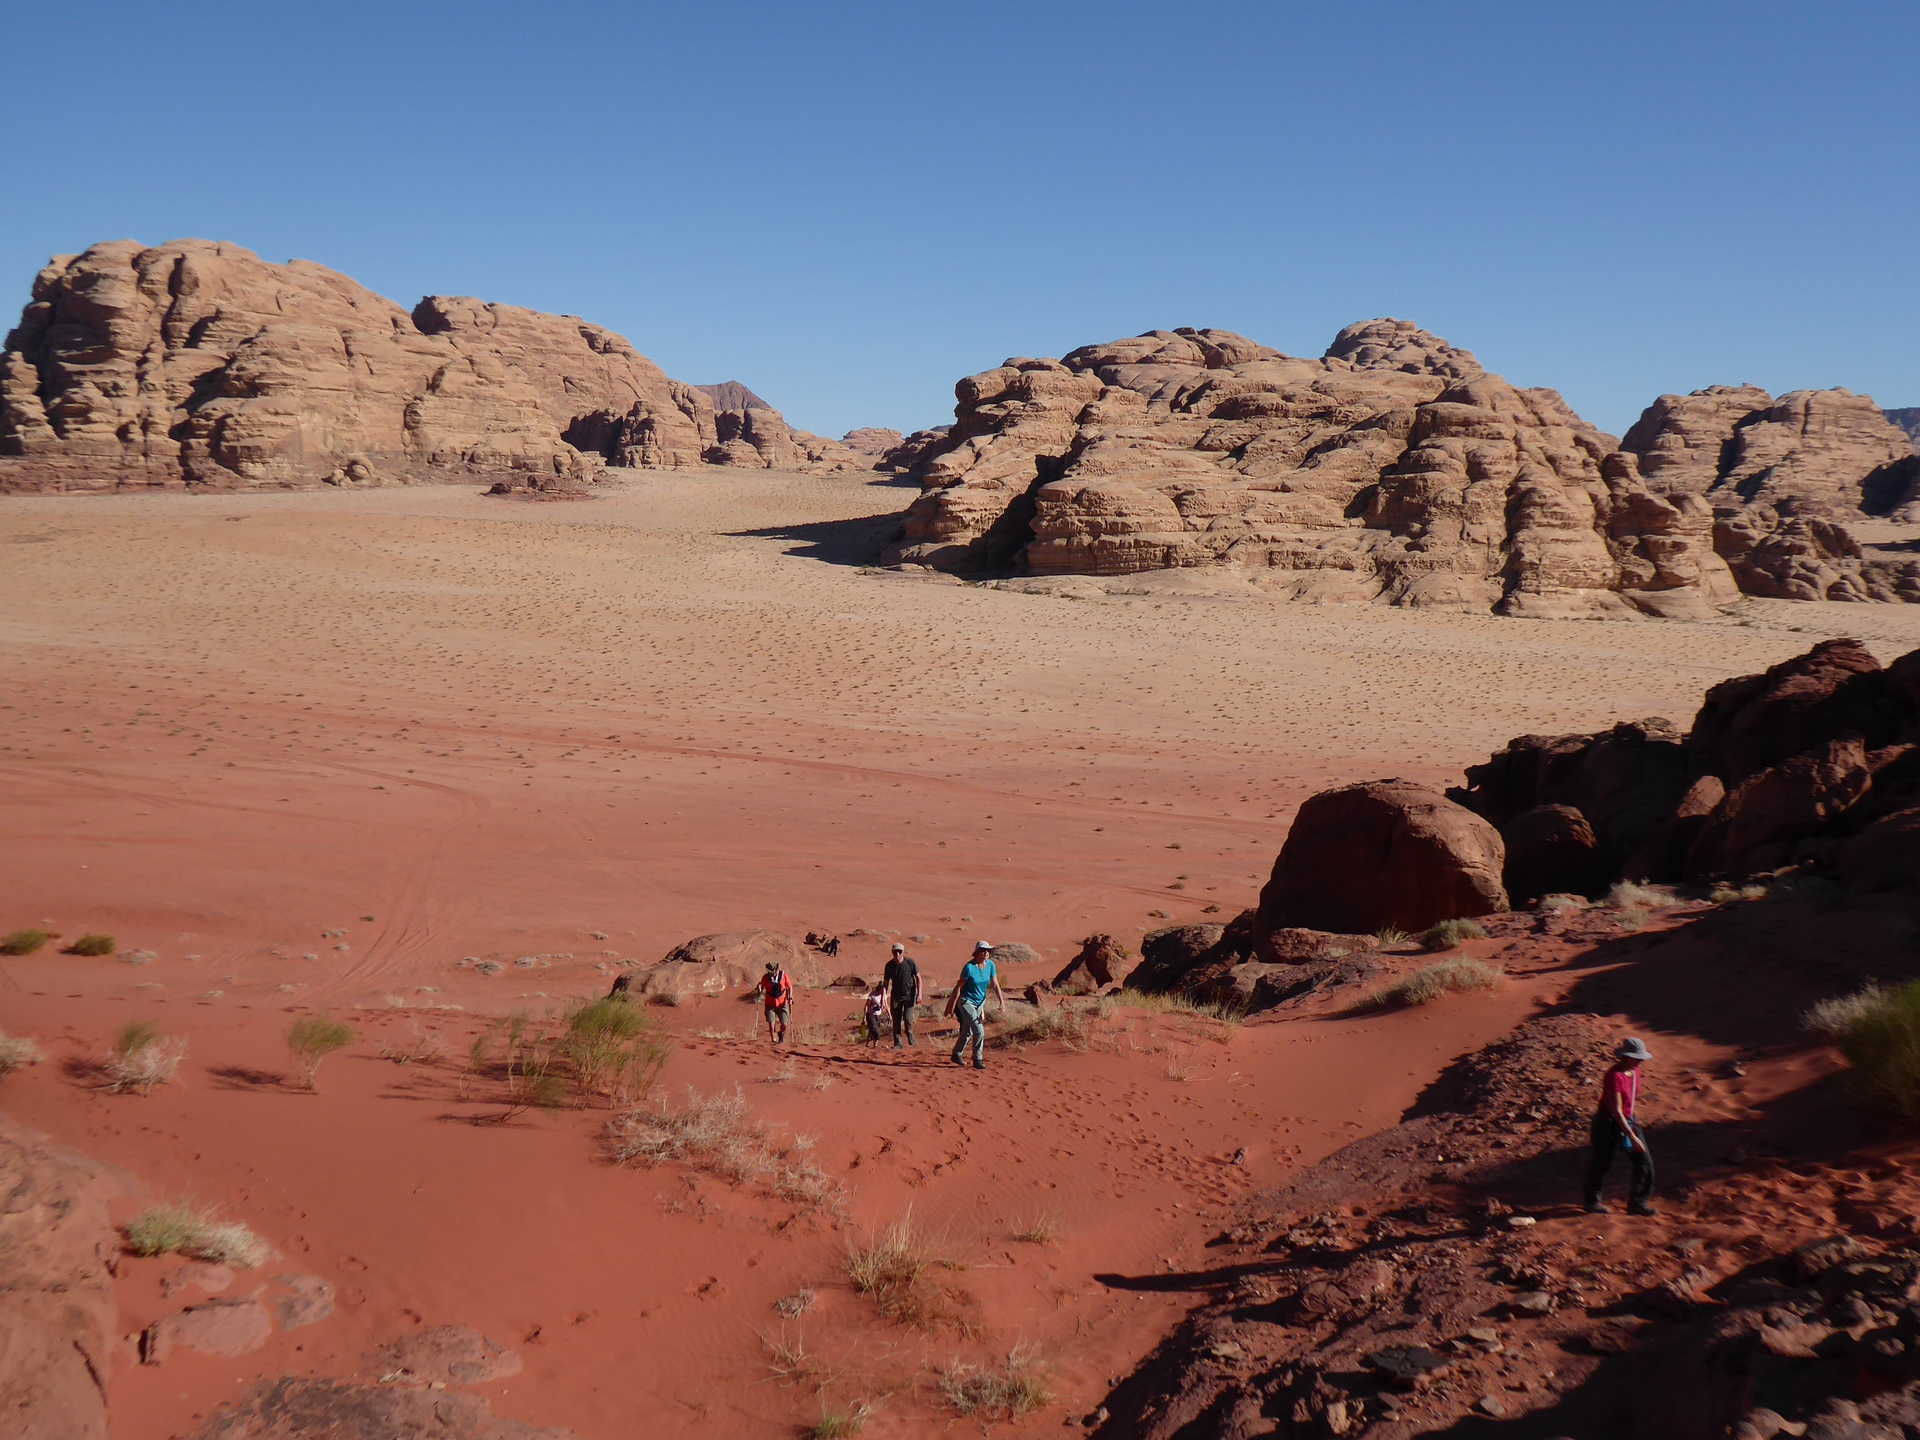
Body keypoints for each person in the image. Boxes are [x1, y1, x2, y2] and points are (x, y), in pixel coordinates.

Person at [1584, 1036, 1655, 1215]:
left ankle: (1638, 1203)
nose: (1639, 1061)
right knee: (1602, 1162)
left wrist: (1632, 1124)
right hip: (1608, 1123)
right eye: (1636, 1057)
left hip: (1629, 1120)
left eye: (1641, 1058)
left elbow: (1630, 1100)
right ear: (1625, 1056)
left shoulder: (1636, 1071)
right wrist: (1632, 1136)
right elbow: (1615, 1110)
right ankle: (1592, 1202)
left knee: (1644, 1163)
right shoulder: (1614, 1075)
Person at [943, 941, 1006, 1071]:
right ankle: (977, 1058)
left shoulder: (990, 965)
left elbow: (995, 984)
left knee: (968, 1030)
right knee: (979, 1030)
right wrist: (950, 1006)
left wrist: (1002, 1002)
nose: (986, 953)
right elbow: (958, 988)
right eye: (983, 950)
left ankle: (956, 1054)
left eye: (988, 950)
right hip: (966, 1002)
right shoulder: (969, 968)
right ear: (977, 952)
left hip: (979, 1002)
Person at [882, 942, 921, 1048]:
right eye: (895, 952)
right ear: (892, 952)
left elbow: (918, 978)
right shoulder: (889, 965)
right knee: (896, 1020)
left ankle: (910, 1034)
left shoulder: (910, 962)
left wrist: (919, 994)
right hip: (896, 996)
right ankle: (898, 1042)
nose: (897, 954)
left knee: (908, 1018)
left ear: (903, 952)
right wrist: (883, 998)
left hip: (910, 996)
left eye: (899, 951)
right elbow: (885, 983)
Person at [758, 960, 794, 1046]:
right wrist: (759, 989)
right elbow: (761, 988)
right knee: (771, 1024)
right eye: (768, 970)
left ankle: (781, 1034)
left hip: (782, 1004)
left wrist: (790, 997)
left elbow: (790, 987)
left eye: (770, 970)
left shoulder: (783, 975)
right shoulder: (765, 977)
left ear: (776, 970)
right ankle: (773, 1041)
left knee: (784, 1024)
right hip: (770, 1004)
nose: (769, 972)